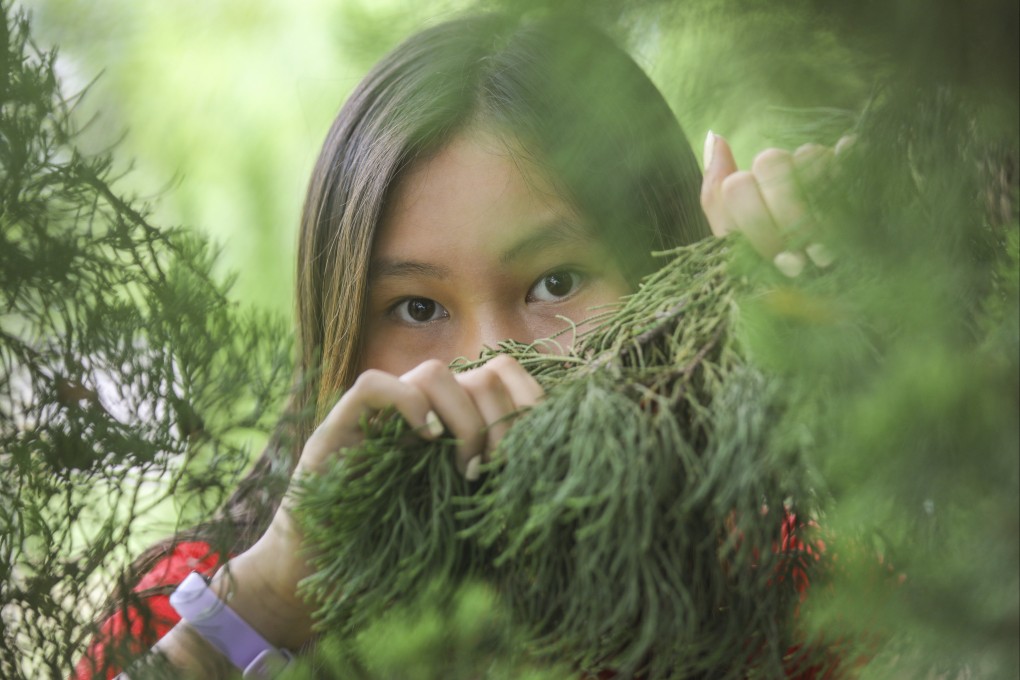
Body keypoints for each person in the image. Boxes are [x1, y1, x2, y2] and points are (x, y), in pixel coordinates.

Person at [74, 11, 833, 680]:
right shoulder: (207, 605)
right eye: (417, 306)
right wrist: (263, 609)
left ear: (669, 278)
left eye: (557, 283)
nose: (493, 363)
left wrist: (866, 350)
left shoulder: (783, 587)